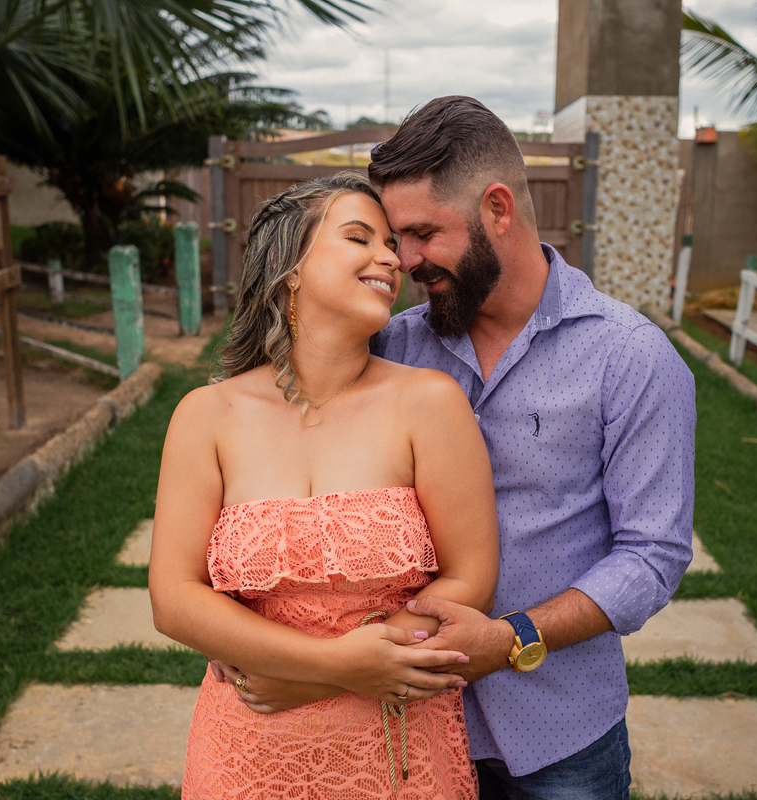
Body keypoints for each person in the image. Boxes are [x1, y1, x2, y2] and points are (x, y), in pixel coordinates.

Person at [364, 96, 697, 799]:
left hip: (565, 735)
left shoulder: (630, 358)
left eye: (424, 233)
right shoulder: (392, 348)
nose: (407, 261)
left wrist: (512, 638)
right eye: (399, 238)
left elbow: (652, 555)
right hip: (409, 727)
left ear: (498, 209)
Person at [148, 172, 500, 799]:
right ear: (290, 269)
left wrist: (322, 679)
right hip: (247, 750)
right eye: (359, 237)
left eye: (391, 244)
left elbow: (471, 577)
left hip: (396, 745)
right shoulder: (207, 417)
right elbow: (174, 599)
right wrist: (339, 666)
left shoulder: (429, 404)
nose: (390, 258)